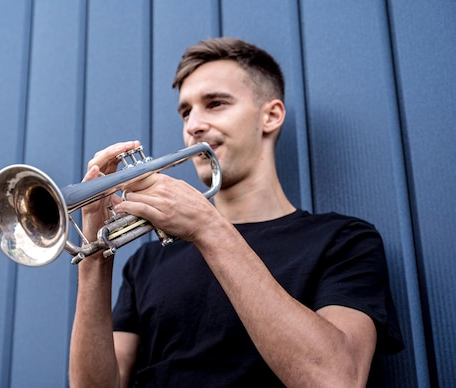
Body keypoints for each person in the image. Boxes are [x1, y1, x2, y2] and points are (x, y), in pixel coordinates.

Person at [69, 37, 403, 387]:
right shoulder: (147, 263)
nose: (193, 125)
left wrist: (208, 227)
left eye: (215, 104)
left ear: (270, 115)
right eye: (186, 111)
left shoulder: (343, 241)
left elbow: (336, 379)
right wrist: (94, 256)